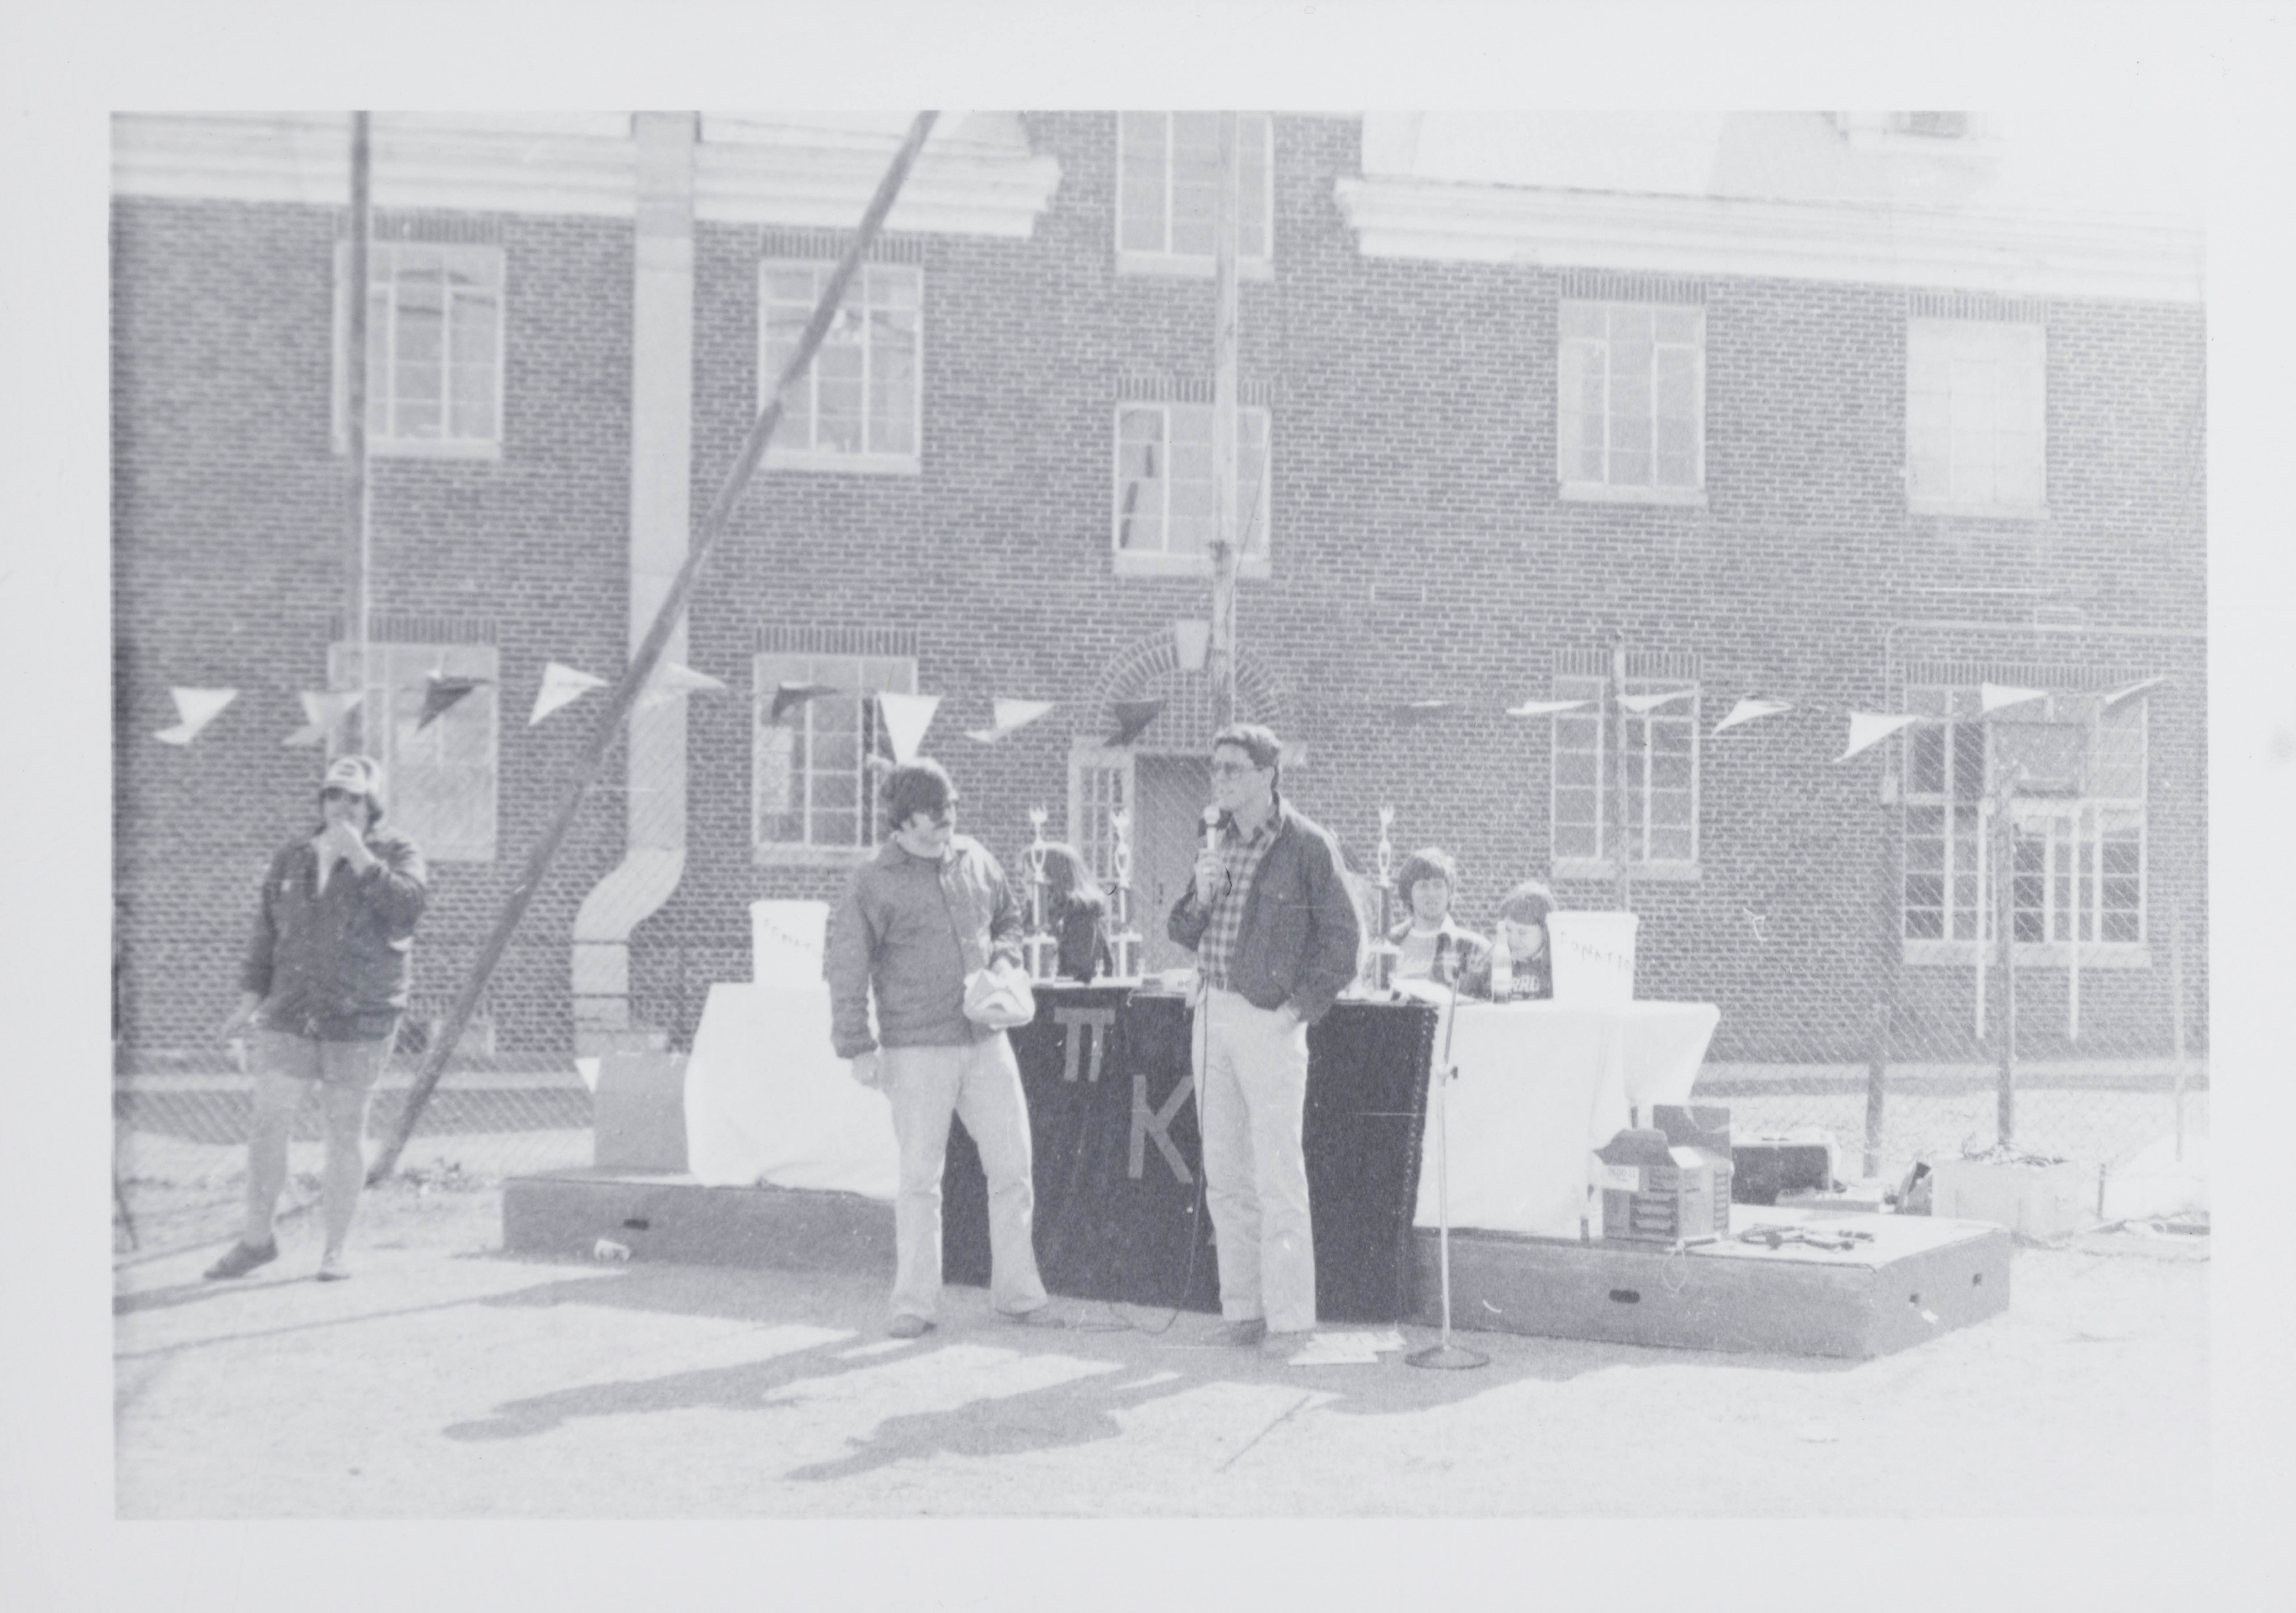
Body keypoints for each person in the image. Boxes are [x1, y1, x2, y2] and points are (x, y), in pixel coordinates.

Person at [825, 758, 1063, 1339]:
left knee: (1013, 1168)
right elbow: (846, 968)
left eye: (950, 818)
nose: (943, 833)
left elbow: (1009, 915)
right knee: (919, 1180)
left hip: (986, 1041)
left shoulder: (976, 858)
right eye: (930, 825)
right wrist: (857, 1046)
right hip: (914, 1049)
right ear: (899, 824)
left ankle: (1017, 1293)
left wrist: (1006, 956)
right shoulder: (870, 881)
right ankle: (914, 1304)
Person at [1167, 723, 1362, 1358]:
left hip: (1267, 1020)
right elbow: (1182, 929)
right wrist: (1200, 896)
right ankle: (1243, 1311)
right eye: (1215, 768)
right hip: (1211, 1009)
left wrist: (1296, 1011)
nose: (1218, 779)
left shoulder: (1306, 845)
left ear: (1266, 774)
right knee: (1224, 1172)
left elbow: (1341, 942)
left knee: (1277, 1174)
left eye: (1231, 769)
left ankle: (1290, 1321)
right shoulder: (1214, 837)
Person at [206, 755, 428, 1282]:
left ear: (372, 805)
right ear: (321, 801)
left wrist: (361, 859)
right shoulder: (293, 856)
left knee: (344, 1130)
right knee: (268, 1124)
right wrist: (248, 1000)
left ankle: (335, 1250)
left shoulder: (397, 851)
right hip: (291, 1010)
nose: (341, 806)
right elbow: (266, 933)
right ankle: (257, 1241)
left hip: (360, 1015)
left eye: (353, 798)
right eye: (333, 795)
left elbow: (410, 908)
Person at [1386, 846, 1490, 993]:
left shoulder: (1476, 949)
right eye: (1423, 886)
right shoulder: (1387, 943)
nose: (1432, 893)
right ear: (1409, 894)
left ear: (1450, 892)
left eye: (1438, 885)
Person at [1033, 841, 1114, 983]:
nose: (1026, 886)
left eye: (1030, 881)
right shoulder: (1037, 916)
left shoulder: (1082, 918)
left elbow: (1077, 974)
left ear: (1052, 883)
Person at [1465, 877, 1557, 1001]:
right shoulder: (1492, 962)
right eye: (1508, 930)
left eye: (1522, 932)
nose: (1513, 939)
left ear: (1545, 932)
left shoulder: (1557, 967)